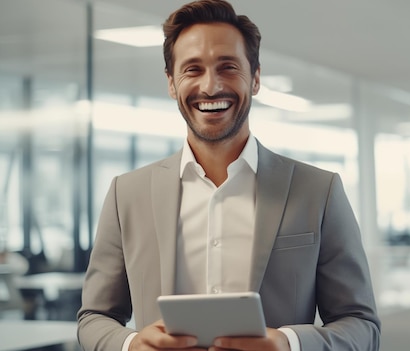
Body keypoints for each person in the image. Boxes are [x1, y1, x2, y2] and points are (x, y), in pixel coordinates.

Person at [76, 1, 381, 350]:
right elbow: (93, 318)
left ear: (255, 78)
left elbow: (362, 326)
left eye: (228, 67)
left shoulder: (319, 191)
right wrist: (131, 345)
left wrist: (288, 344)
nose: (210, 87)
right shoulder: (126, 194)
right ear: (171, 84)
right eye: (192, 69)